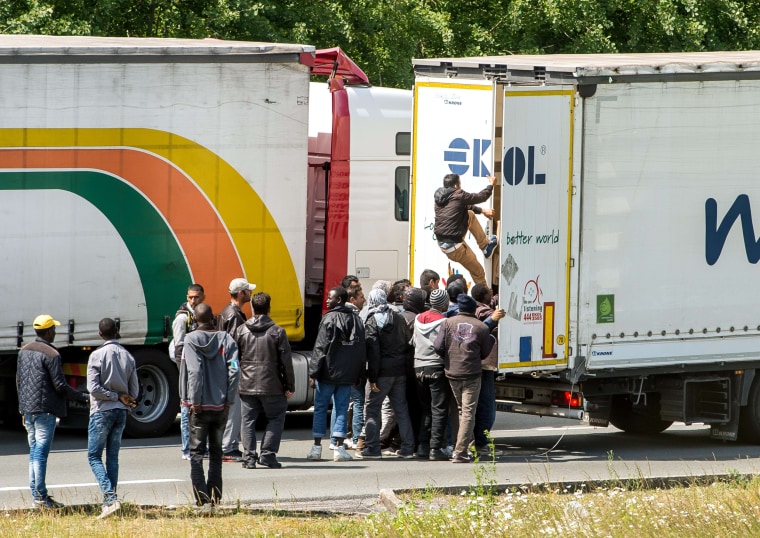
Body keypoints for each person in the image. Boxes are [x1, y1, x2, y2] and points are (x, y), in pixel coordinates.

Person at [16, 314, 89, 509]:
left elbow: (19, 380)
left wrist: (22, 407)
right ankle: (41, 497)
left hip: (28, 410)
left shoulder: (24, 350)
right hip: (45, 410)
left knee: (33, 452)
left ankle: (37, 494)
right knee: (40, 454)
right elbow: (60, 386)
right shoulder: (52, 354)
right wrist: (83, 397)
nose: (55, 332)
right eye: (54, 329)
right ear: (48, 332)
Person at [179, 304, 240, 512]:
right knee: (216, 452)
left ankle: (201, 499)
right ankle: (215, 498)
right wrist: (229, 400)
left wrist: (194, 401)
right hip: (221, 406)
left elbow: (194, 372)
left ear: (195, 319)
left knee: (196, 454)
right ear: (213, 318)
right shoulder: (227, 340)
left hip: (199, 407)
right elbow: (234, 370)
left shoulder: (190, 339)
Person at [86, 318, 139, 519]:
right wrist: (124, 398)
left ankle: (110, 498)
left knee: (93, 456)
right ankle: (111, 500)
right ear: (117, 332)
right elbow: (134, 390)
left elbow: (93, 389)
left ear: (100, 334)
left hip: (101, 411)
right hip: (121, 412)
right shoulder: (128, 356)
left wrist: (113, 396)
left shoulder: (96, 356)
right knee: (113, 457)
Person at [235, 292, 295, 470]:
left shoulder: (241, 330)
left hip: (246, 384)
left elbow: (233, 358)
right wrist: (289, 385)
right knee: (276, 418)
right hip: (272, 385)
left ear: (252, 308)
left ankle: (249, 457)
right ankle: (268, 455)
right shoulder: (277, 331)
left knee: (247, 421)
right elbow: (287, 363)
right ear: (269, 308)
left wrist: (237, 377)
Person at [307, 286, 366, 462]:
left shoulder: (328, 319)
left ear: (338, 300)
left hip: (326, 373)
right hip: (347, 375)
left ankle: (316, 448)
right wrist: (358, 374)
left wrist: (313, 372)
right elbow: (361, 351)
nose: (326, 300)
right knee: (341, 409)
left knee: (320, 409)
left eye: (329, 297)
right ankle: (339, 449)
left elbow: (320, 348)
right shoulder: (356, 320)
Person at [433, 295, 494, 463]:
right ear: (473, 309)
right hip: (471, 374)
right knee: (468, 413)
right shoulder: (481, 327)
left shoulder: (447, 323)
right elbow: (485, 353)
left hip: (452, 372)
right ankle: (460, 452)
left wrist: (449, 357)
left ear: (459, 308)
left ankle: (468, 446)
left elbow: (438, 347)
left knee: (461, 410)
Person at [356, 289, 416, 459]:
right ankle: (407, 447)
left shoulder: (372, 320)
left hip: (381, 372)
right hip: (400, 371)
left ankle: (373, 448)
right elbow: (407, 345)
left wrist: (372, 378)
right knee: (401, 409)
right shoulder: (399, 317)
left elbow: (373, 351)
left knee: (372, 409)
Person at [433, 173, 498, 286]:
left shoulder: (440, 198)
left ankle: (485, 246)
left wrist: (482, 211)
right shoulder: (458, 194)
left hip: (444, 243)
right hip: (455, 248)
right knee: (478, 272)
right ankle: (485, 300)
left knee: (470, 215)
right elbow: (481, 197)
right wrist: (491, 185)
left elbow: (463, 206)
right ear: (457, 186)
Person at [218, 277, 256, 463]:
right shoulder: (234, 315)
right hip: (232, 367)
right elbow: (234, 346)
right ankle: (229, 448)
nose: (250, 293)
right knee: (234, 408)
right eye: (248, 290)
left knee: (230, 408)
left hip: (225, 366)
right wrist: (236, 369)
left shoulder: (227, 311)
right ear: (241, 293)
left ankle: (227, 445)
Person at [413, 289, 452, 461]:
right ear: (444, 304)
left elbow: (413, 341)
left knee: (425, 409)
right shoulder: (445, 322)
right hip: (436, 367)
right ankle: (435, 448)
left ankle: (422, 445)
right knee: (439, 409)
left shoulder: (418, 318)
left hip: (418, 366)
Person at [170, 283, 205, 460]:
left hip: (197, 368)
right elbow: (179, 349)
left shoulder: (202, 314)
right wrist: (184, 373)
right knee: (186, 408)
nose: (193, 300)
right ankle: (187, 449)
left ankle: (198, 446)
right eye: (190, 297)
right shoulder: (183, 319)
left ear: (203, 297)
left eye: (196, 297)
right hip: (186, 369)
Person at [471, 284, 506, 457]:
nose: (492, 293)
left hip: (474, 365)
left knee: (475, 406)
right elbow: (483, 326)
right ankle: (481, 443)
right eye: (489, 292)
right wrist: (494, 318)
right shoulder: (485, 313)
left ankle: (476, 440)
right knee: (487, 406)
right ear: (484, 296)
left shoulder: (475, 308)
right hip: (485, 365)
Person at [330, 285, 367, 450]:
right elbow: (359, 348)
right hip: (351, 368)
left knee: (338, 404)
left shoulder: (331, 317)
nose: (364, 300)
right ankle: (355, 438)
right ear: (351, 299)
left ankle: (333, 439)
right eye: (361, 297)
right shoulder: (356, 318)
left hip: (336, 368)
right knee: (357, 401)